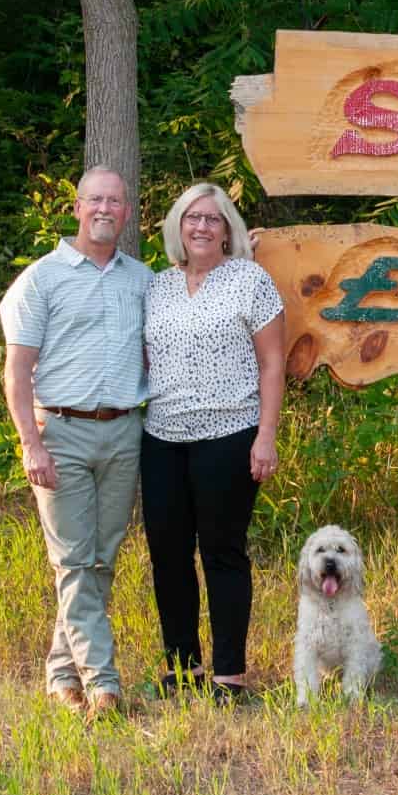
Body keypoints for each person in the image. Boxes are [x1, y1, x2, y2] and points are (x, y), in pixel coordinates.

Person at [0, 166, 151, 717]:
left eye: (115, 201)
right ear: (78, 208)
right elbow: (16, 372)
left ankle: (61, 673)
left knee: (101, 560)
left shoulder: (143, 280)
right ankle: (102, 683)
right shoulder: (41, 280)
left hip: (123, 432)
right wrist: (30, 445)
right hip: (59, 432)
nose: (105, 209)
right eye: (95, 200)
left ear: (127, 213)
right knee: (71, 561)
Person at [140, 182, 284, 703]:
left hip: (229, 435)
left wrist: (265, 436)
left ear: (228, 230)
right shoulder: (157, 287)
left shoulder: (250, 281)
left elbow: (272, 362)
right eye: (192, 218)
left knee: (222, 552)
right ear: (178, 226)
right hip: (161, 438)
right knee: (168, 555)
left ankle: (229, 673)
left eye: (213, 219)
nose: (201, 227)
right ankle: (183, 667)